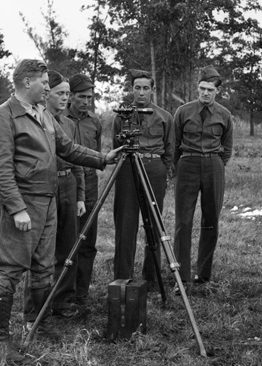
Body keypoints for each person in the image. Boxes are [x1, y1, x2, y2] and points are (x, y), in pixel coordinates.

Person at [0, 59, 122, 363]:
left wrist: (103, 158)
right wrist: (17, 208)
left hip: (47, 203)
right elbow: (0, 170)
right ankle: (1, 339)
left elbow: (68, 149)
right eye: (44, 82)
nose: (48, 87)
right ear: (26, 82)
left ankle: (39, 323)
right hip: (21, 205)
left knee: (44, 269)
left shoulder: (45, 115)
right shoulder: (3, 116)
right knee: (10, 270)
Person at [173, 65, 233, 291]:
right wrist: (181, 165)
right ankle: (182, 277)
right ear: (197, 88)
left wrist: (215, 164)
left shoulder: (225, 115)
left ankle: (204, 275)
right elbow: (174, 143)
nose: (205, 93)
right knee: (183, 222)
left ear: (217, 91)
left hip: (213, 166)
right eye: (201, 88)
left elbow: (227, 147)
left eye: (210, 89)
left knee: (211, 221)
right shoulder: (183, 112)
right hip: (187, 164)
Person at [112, 69, 174, 286]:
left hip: (154, 169)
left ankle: (152, 278)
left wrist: (160, 169)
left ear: (152, 90)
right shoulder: (122, 116)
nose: (141, 92)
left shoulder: (165, 117)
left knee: (154, 223)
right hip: (128, 169)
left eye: (145, 88)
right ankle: (122, 278)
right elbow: (116, 146)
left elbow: (170, 150)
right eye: (137, 88)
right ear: (132, 89)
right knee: (125, 223)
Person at [45, 70, 85, 318]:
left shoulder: (70, 124)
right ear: (46, 93)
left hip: (68, 184)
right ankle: (40, 301)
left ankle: (63, 300)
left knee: (68, 244)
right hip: (47, 186)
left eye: (68, 94)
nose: (65, 98)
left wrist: (80, 196)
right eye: (60, 93)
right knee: (44, 246)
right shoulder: (38, 120)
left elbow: (77, 158)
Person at [66, 73, 102, 306]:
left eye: (89, 97)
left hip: (90, 183)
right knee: (69, 238)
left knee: (88, 238)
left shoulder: (94, 122)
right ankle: (65, 291)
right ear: (70, 96)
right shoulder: (58, 119)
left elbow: (96, 153)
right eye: (81, 97)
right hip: (68, 181)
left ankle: (82, 292)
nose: (86, 101)